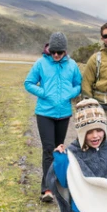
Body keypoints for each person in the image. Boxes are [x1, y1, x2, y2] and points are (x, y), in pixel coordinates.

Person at [24, 32, 82, 202]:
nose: (56, 55)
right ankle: (47, 188)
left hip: (64, 114)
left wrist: (68, 94)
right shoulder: (41, 63)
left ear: (65, 51)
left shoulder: (72, 65)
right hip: (45, 113)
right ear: (49, 49)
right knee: (48, 150)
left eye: (60, 52)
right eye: (53, 51)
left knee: (59, 149)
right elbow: (28, 83)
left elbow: (78, 84)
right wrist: (44, 93)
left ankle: (59, 183)